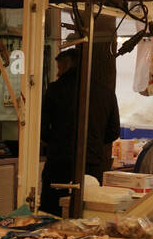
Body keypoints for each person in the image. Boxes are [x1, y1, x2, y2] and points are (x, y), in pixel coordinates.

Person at [39, 45, 120, 213]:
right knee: (87, 213)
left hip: (59, 165)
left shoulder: (55, 90)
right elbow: (113, 131)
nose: (58, 73)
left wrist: (56, 141)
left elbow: (42, 129)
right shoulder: (106, 92)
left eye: (60, 68)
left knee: (54, 215)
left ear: (69, 64)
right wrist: (93, 142)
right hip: (91, 165)